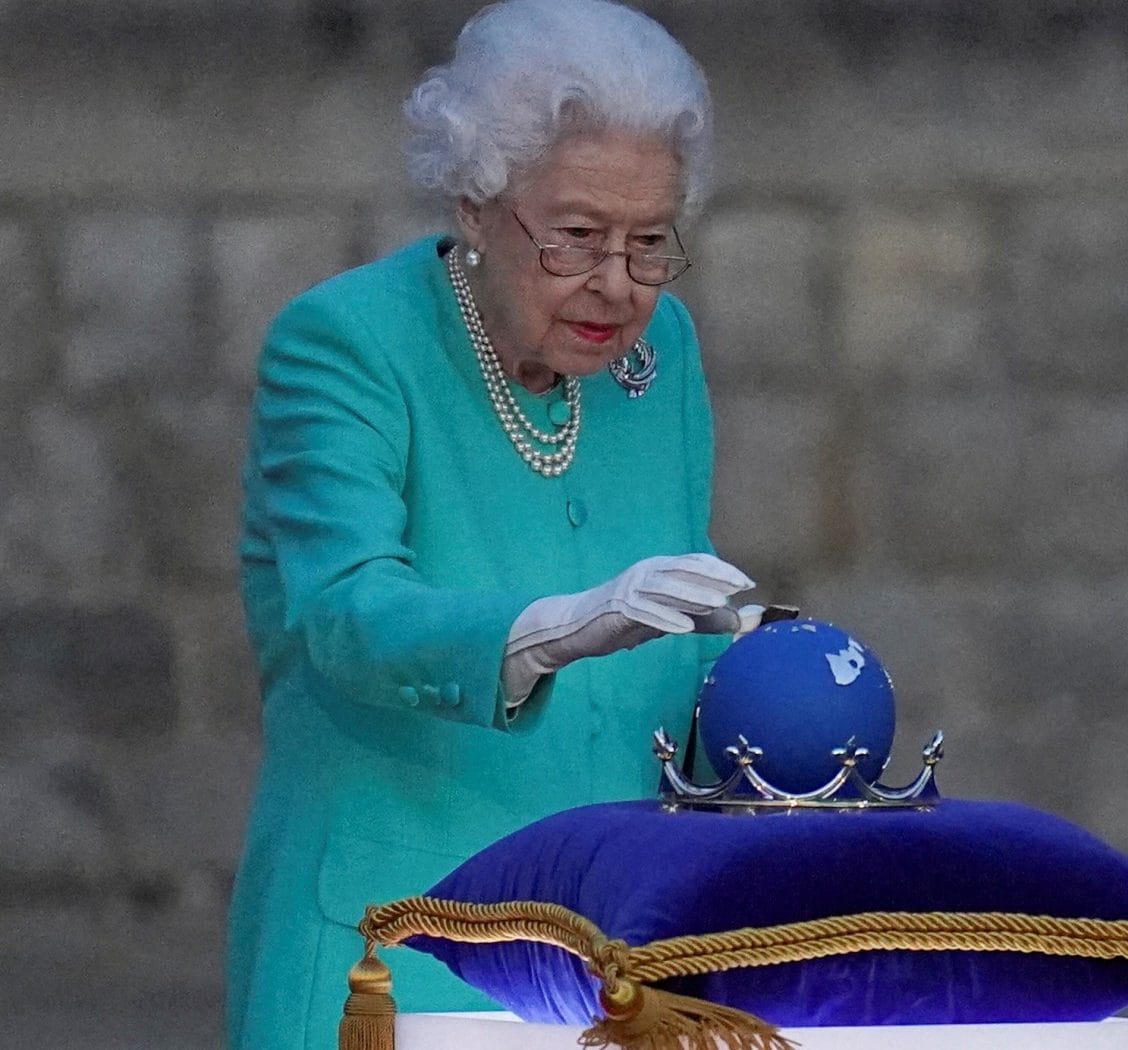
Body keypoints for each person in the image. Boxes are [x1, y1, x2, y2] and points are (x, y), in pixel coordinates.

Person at [224, 3, 759, 1047]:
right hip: (394, 956)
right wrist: (553, 629)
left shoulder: (664, 356)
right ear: (476, 203)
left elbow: (679, 646)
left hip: (620, 967)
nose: (617, 282)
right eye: (575, 239)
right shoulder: (347, 343)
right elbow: (346, 612)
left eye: (650, 242)